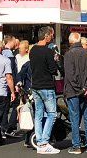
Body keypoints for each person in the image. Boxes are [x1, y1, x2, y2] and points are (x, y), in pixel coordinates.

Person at [63, 31, 87, 154]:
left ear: (71, 41)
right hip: (86, 91)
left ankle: (76, 146)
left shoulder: (68, 54)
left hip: (73, 92)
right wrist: (86, 87)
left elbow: (70, 75)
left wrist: (79, 89)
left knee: (75, 118)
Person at [30, 26, 62, 154]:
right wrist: (55, 60)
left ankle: (39, 142)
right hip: (46, 86)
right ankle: (44, 142)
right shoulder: (48, 52)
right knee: (52, 114)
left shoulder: (32, 51)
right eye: (51, 35)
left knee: (38, 114)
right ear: (46, 36)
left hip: (35, 85)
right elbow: (53, 70)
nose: (52, 37)